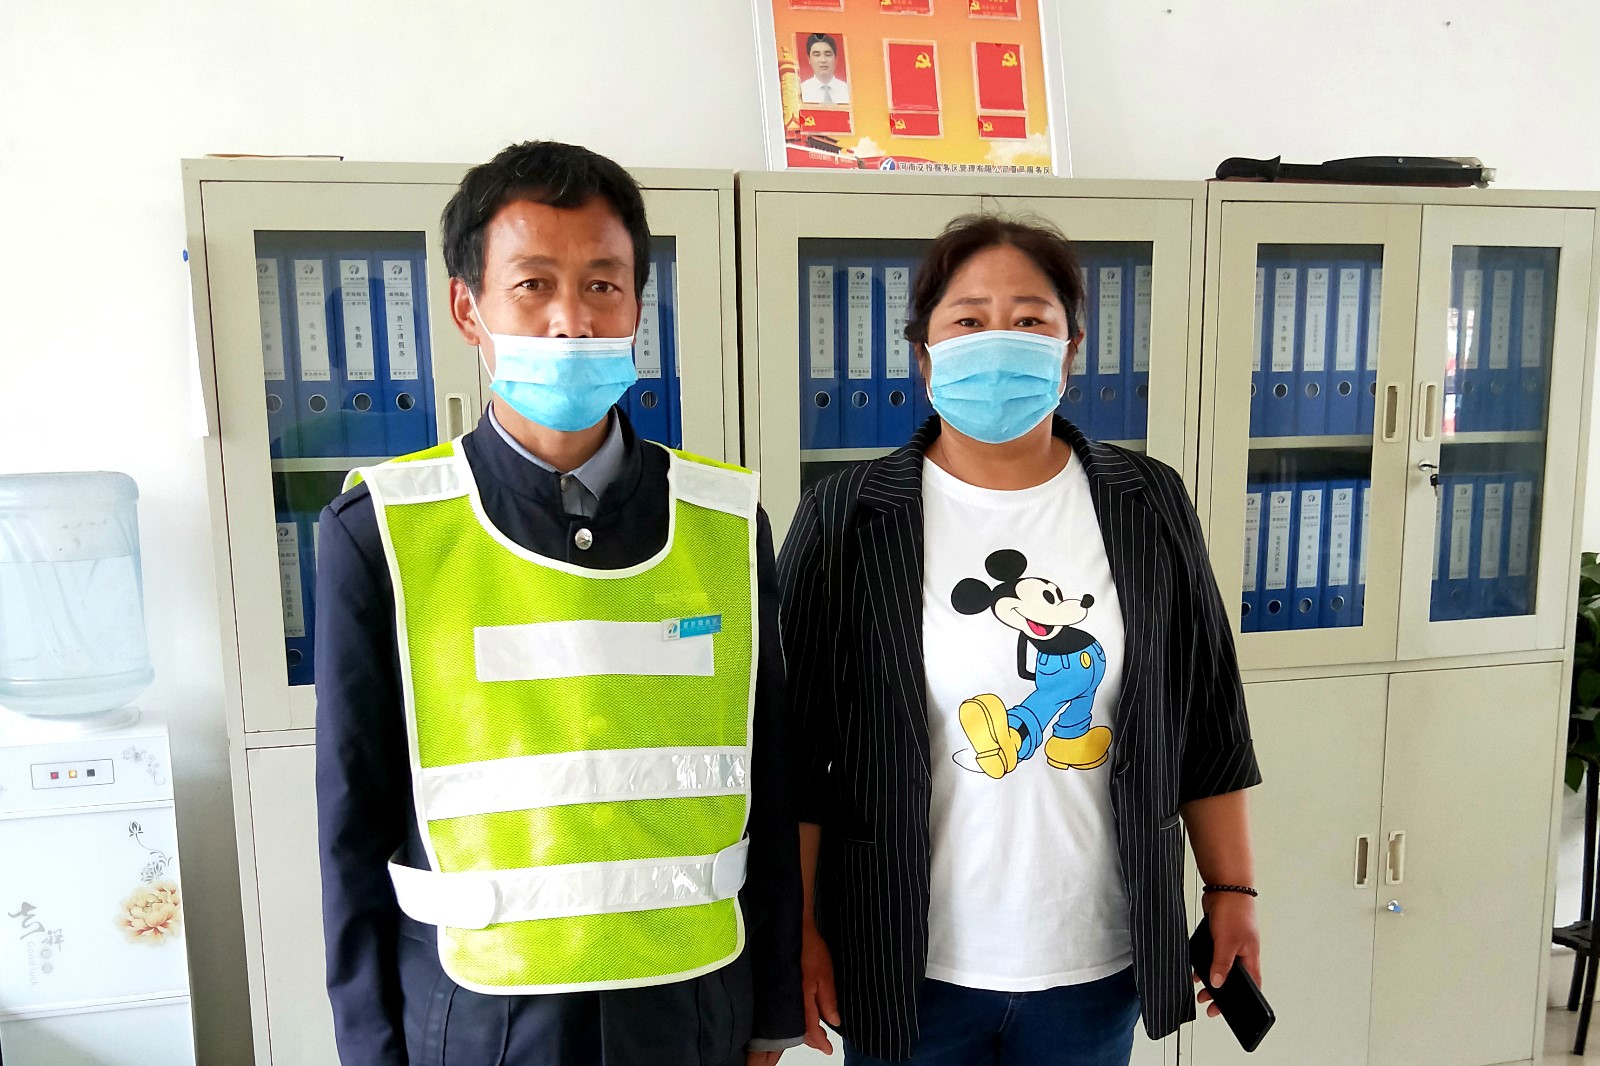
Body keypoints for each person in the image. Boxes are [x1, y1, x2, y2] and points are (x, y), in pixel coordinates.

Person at [315, 140, 803, 1066]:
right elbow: (351, 824)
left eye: (602, 285)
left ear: (637, 306)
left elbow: (766, 780)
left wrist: (771, 1012)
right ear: (470, 308)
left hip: (691, 1005)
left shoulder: (726, 521)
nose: (572, 321)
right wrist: (370, 1050)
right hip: (481, 1016)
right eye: (533, 285)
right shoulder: (382, 530)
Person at [777, 214, 1263, 1065]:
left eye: (1031, 319)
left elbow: (1209, 716)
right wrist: (800, 928)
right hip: (906, 959)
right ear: (924, 353)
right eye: (968, 319)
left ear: (1070, 350)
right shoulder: (846, 516)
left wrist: (1232, 889)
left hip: (1095, 962)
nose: (999, 340)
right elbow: (796, 749)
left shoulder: (1148, 501)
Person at [800, 33, 850, 105]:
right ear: (809, 59)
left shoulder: (847, 90)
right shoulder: (801, 90)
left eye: (828, 54)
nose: (823, 60)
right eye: (817, 55)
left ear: (835, 58)